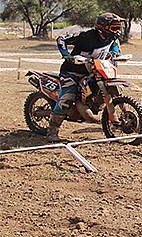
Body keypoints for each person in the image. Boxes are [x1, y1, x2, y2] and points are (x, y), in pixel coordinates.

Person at [47, 13, 124, 142]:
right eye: (114, 28)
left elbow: (115, 46)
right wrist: (66, 55)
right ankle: (52, 131)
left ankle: (120, 118)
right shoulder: (86, 36)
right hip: (73, 72)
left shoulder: (113, 37)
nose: (117, 31)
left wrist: (114, 53)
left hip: (95, 71)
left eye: (118, 27)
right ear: (102, 27)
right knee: (67, 97)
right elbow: (61, 39)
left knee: (113, 87)